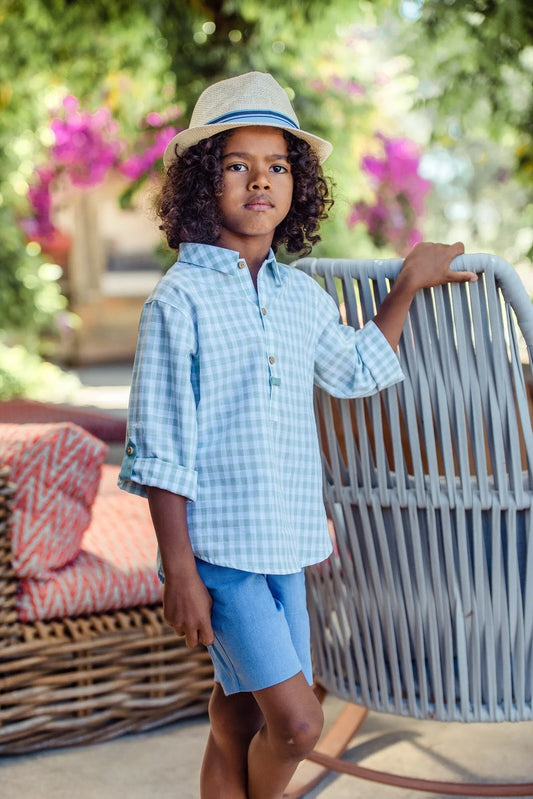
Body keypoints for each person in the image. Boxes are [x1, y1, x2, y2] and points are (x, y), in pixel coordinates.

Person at [118, 71, 477, 799]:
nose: (261, 182)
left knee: (239, 713)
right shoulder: (177, 301)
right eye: (237, 166)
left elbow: (353, 370)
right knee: (299, 726)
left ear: (297, 184)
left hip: (286, 544)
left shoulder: (300, 296)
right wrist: (179, 568)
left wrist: (405, 285)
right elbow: (160, 449)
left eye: (277, 166)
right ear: (199, 183)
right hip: (220, 553)